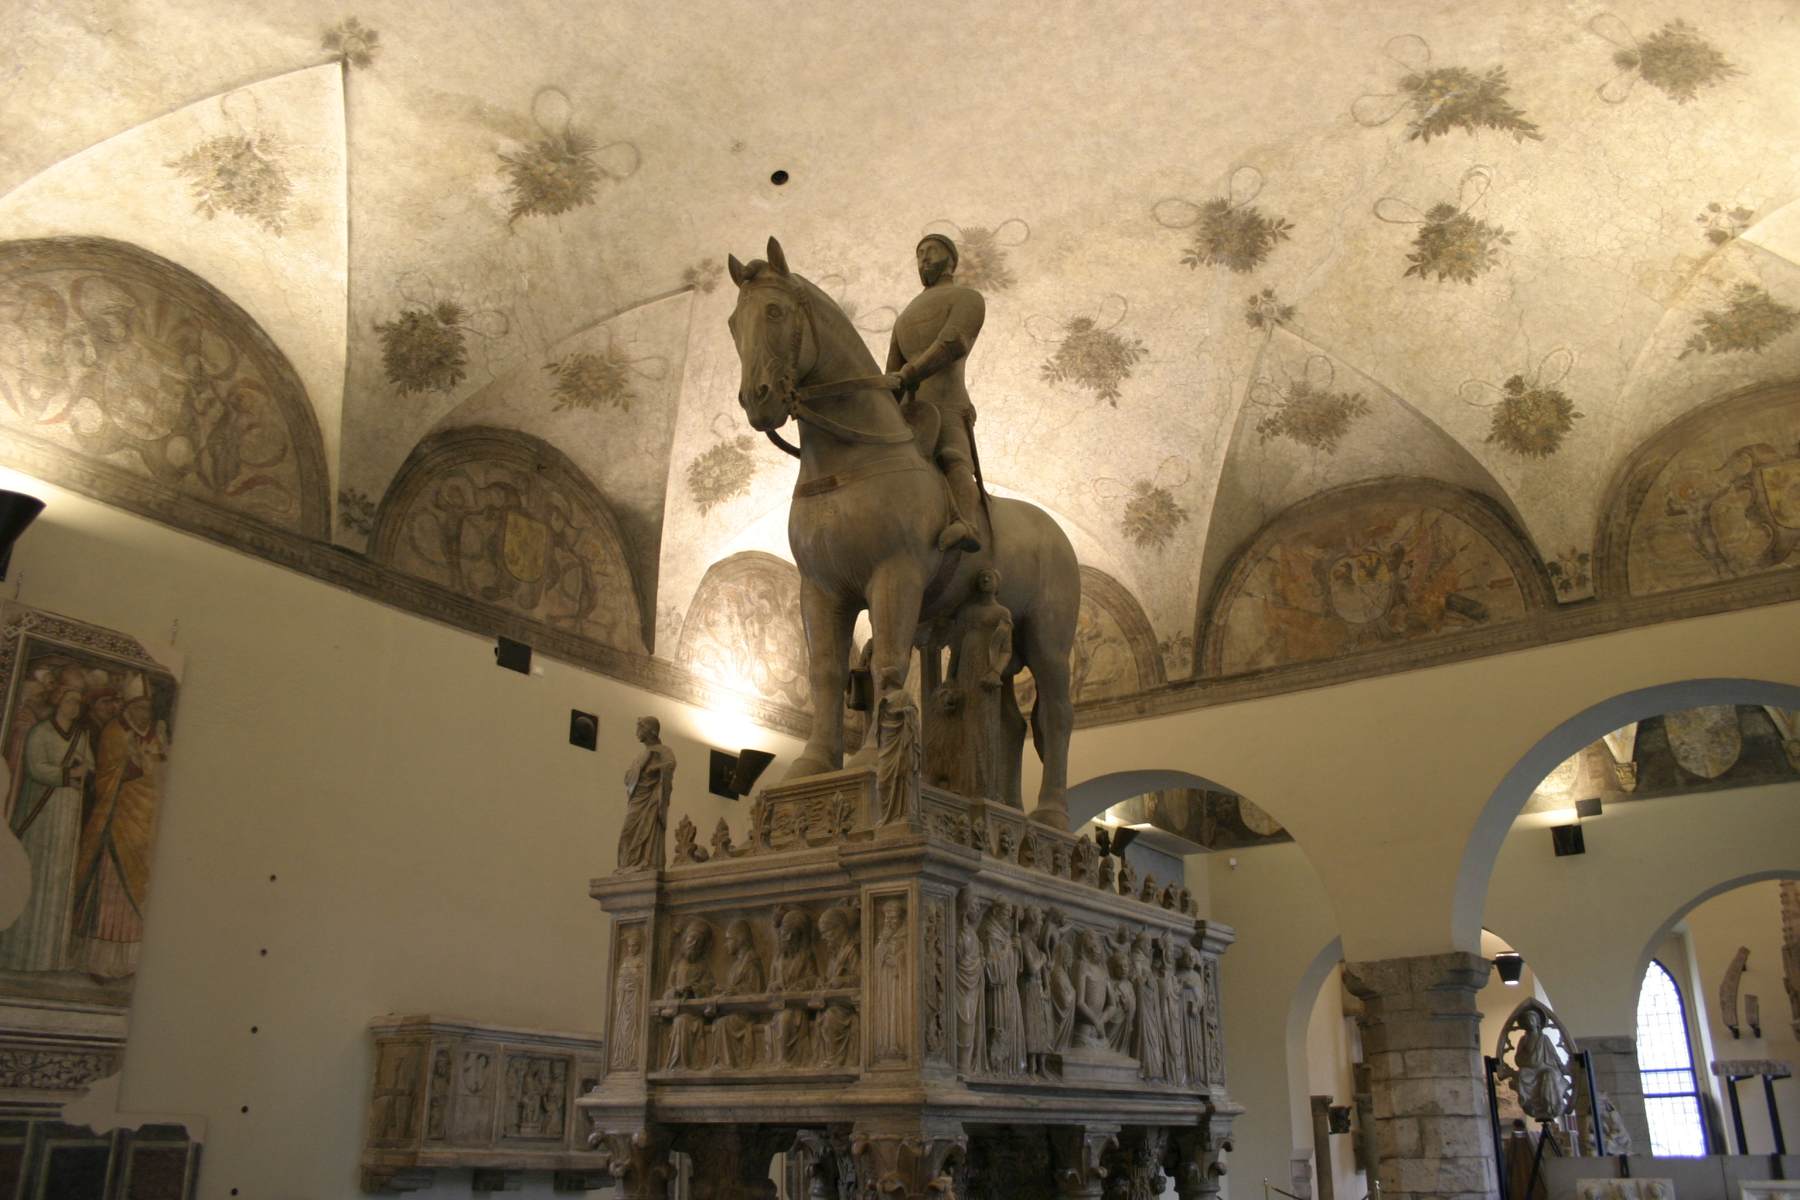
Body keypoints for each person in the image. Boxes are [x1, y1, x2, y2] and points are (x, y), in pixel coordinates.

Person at [882, 234, 987, 553]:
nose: (924, 258)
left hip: (947, 398)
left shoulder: (966, 297)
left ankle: (966, 523)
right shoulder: (903, 318)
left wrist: (909, 373)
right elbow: (890, 372)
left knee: (952, 454)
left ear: (951, 260)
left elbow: (954, 342)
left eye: (932, 251)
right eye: (919, 254)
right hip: (908, 409)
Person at [0, 688, 93, 973]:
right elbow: (35, 767)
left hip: (68, 813)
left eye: (78, 702)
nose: (74, 706)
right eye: (69, 700)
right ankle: (22, 953)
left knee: (59, 875)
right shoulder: (41, 732)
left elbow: (91, 765)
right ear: (58, 702)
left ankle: (48, 956)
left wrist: (83, 768)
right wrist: (68, 773)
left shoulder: (82, 735)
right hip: (42, 814)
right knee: (35, 873)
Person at [617, 716, 674, 871]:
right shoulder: (641, 755)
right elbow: (629, 777)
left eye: (641, 727)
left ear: (651, 731)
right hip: (637, 799)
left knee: (647, 829)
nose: (637, 731)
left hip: (651, 800)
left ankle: (644, 861)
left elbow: (670, 764)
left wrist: (654, 768)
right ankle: (627, 864)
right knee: (627, 832)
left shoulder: (663, 751)